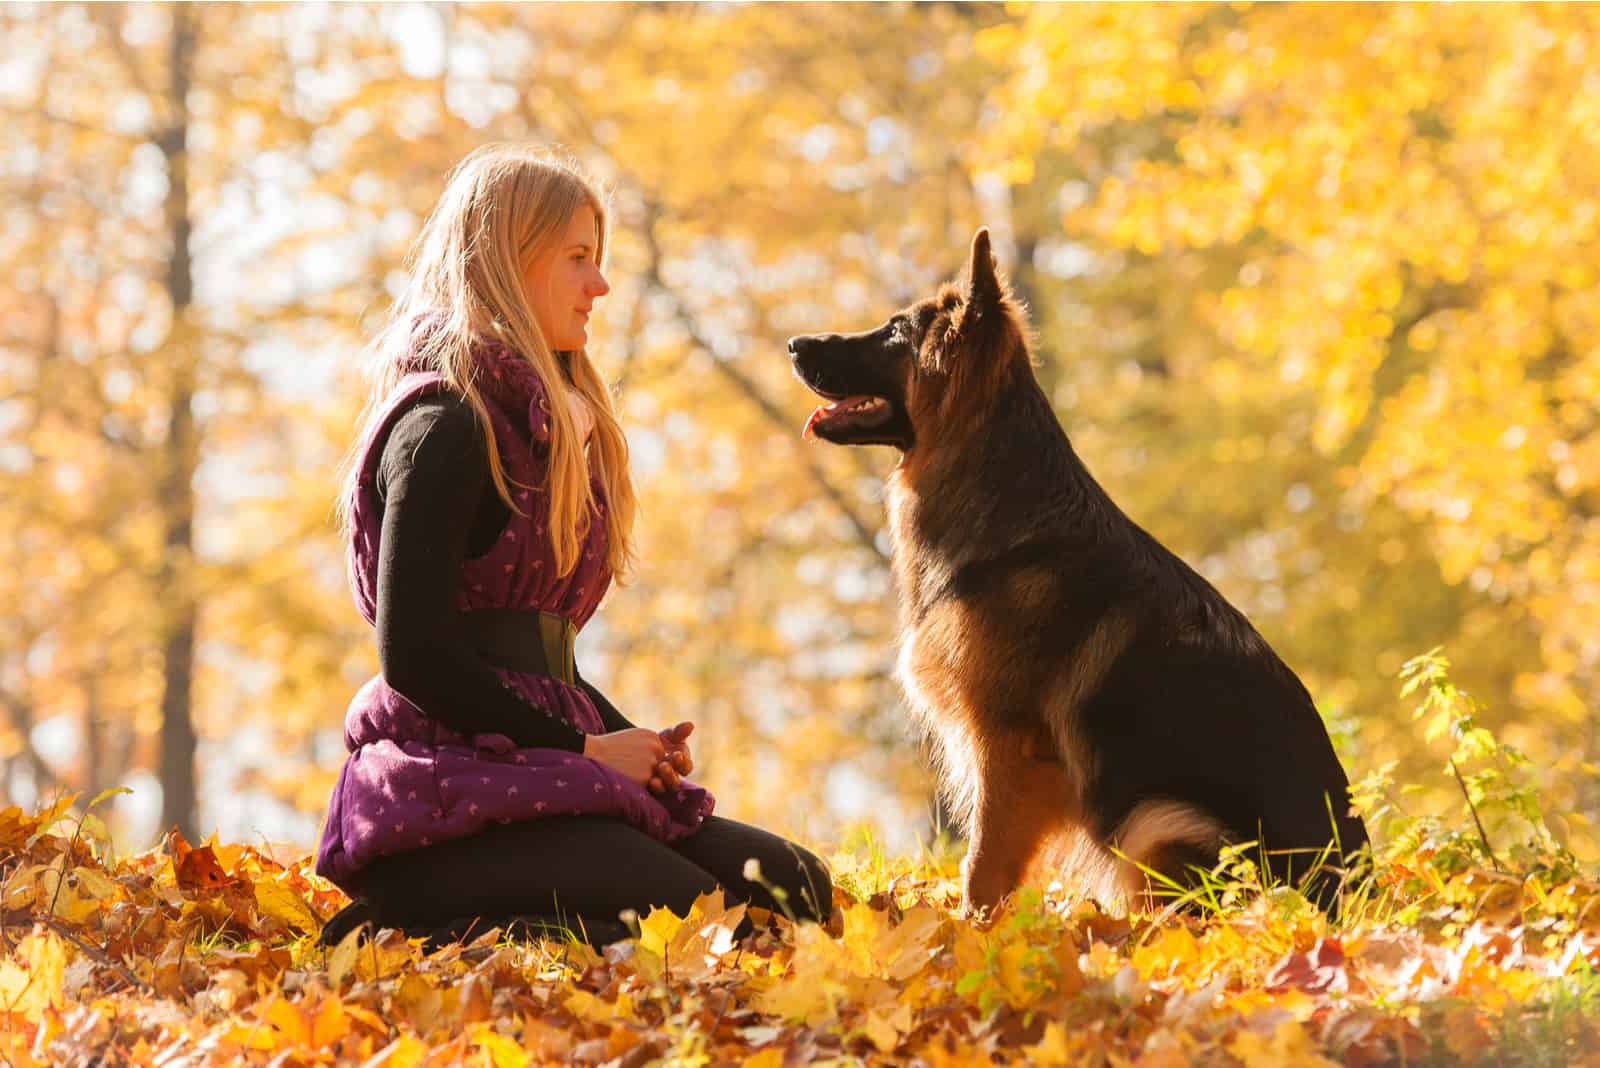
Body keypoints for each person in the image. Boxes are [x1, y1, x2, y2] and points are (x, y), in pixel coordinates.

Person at [314, 143, 831, 949]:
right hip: (437, 802)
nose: (601, 285)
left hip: (536, 770)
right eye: (578, 258)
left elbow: (541, 664)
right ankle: (414, 927)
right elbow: (415, 658)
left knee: (795, 888)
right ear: (507, 262)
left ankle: (561, 920)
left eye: (602, 259)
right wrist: (590, 749)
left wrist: (637, 748)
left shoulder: (541, 434)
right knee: (698, 919)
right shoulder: (444, 428)